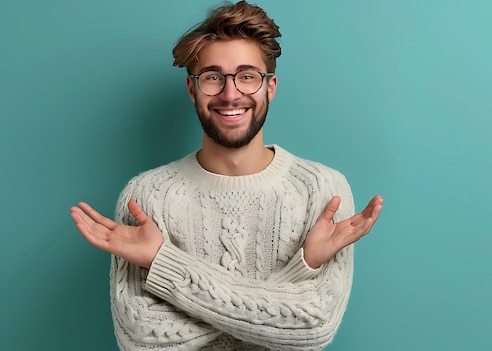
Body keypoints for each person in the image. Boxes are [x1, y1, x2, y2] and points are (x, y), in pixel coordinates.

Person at [70, 1, 383, 350]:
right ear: (192, 89)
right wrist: (297, 278)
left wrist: (164, 264)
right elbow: (142, 339)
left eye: (247, 76)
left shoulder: (322, 190)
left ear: (271, 87)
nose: (230, 93)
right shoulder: (146, 195)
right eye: (212, 78)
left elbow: (313, 329)